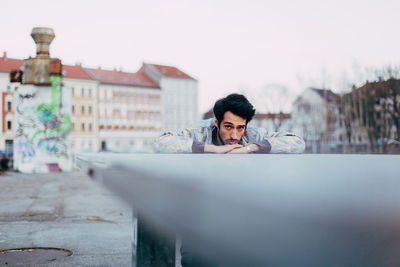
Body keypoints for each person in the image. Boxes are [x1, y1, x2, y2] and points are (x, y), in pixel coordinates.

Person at [154, 93, 305, 154]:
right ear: (216, 122)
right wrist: (212, 149)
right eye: (228, 127)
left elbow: (298, 143)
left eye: (240, 127)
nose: (234, 135)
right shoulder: (200, 132)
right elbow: (160, 142)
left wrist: (251, 148)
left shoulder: (253, 135)